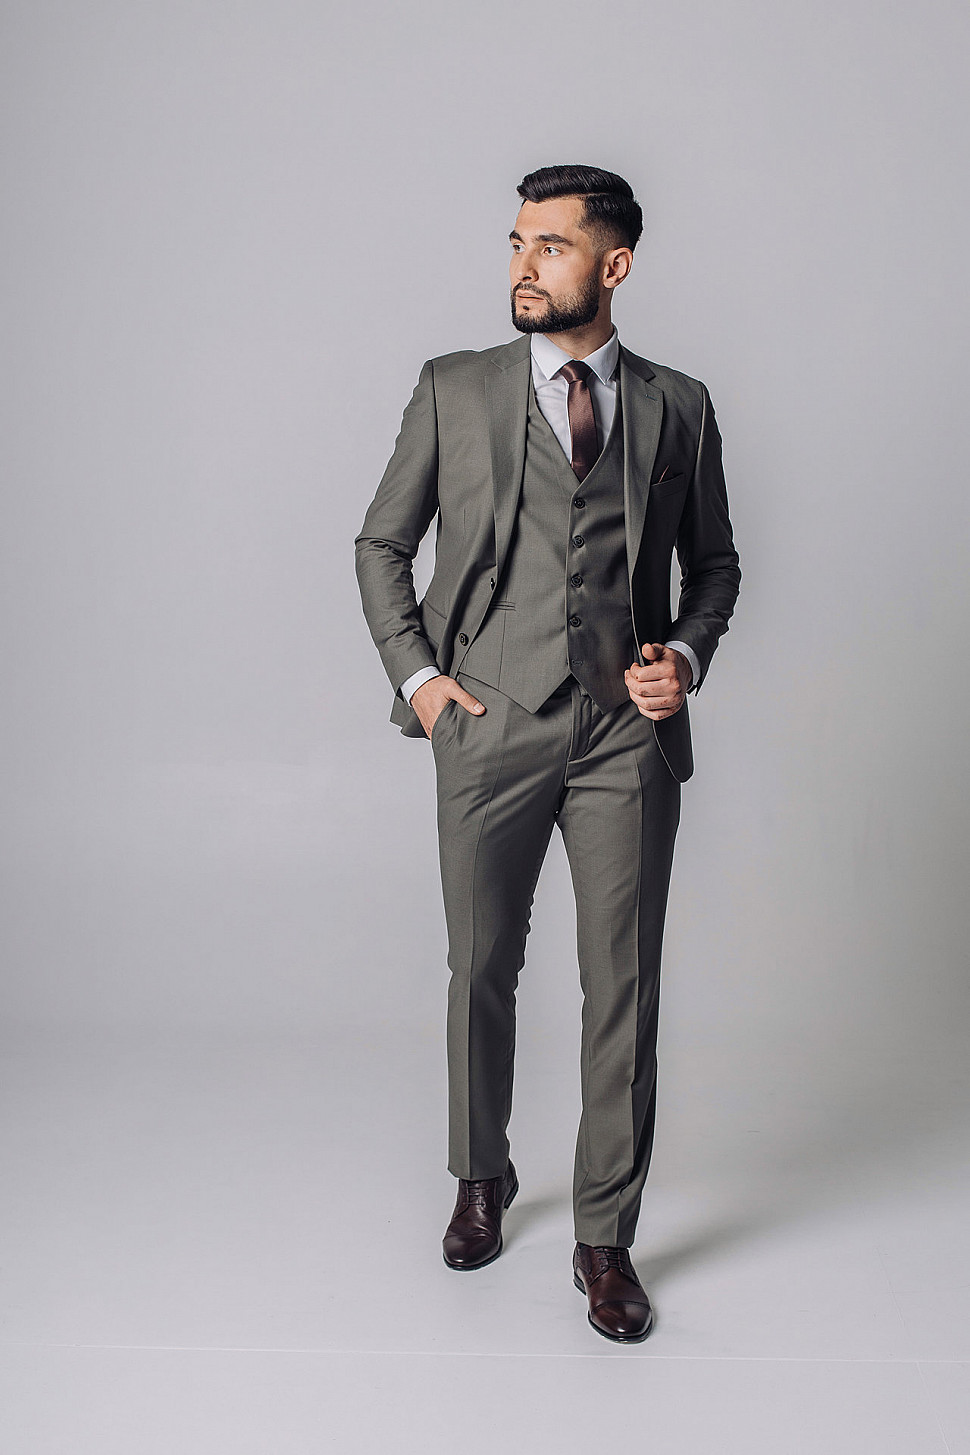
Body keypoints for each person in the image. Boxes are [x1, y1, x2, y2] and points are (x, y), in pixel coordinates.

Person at [354, 164, 741, 1343]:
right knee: (480, 966)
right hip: (486, 721)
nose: (524, 266)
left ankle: (603, 1240)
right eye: (516, 243)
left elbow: (714, 565)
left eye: (552, 247)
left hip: (625, 732)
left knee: (623, 986)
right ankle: (482, 1174)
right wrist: (423, 684)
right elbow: (382, 544)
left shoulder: (678, 405)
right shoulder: (453, 388)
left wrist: (684, 657)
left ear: (612, 266)